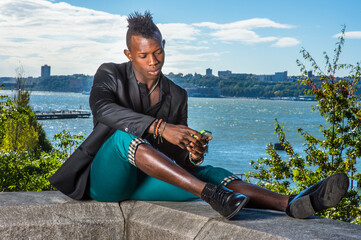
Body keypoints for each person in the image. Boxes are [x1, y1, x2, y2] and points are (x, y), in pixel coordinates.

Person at [50, 11, 349, 220]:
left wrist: (193, 152)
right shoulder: (110, 73)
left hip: (148, 183)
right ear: (129, 55)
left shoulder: (178, 94)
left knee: (209, 172)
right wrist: (159, 127)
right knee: (122, 139)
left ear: (164, 46)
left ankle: (291, 203)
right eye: (143, 56)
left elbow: (176, 161)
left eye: (158, 52)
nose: (153, 61)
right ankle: (211, 194)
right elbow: (103, 109)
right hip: (107, 183)